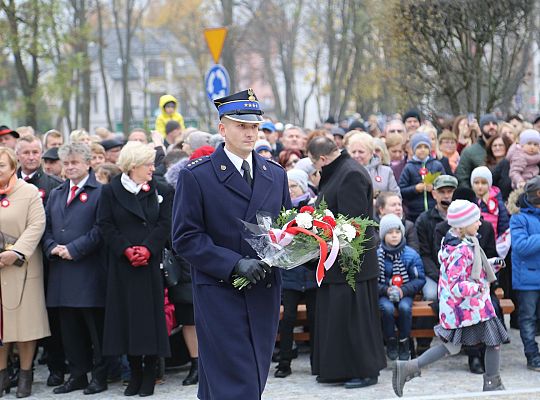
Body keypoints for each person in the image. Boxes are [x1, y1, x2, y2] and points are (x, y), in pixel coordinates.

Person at [172, 89, 291, 400]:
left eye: (254, 126)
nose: (250, 132)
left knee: (249, 374)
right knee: (236, 381)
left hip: (264, 290)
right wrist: (233, 263)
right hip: (221, 292)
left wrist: (308, 242)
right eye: (242, 125)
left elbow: (285, 228)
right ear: (222, 129)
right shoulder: (197, 177)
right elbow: (185, 237)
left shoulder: (274, 174)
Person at [393, 200, 509, 397]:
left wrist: (490, 264)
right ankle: (492, 383)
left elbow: (472, 268)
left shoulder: (463, 243)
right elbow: (456, 284)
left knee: (455, 346)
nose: (480, 223)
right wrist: (478, 287)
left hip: (466, 308)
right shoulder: (460, 250)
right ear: (463, 225)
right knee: (491, 341)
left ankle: (410, 367)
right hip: (467, 307)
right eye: (476, 220)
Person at [307, 136, 386, 389]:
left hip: (353, 263)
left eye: (314, 163)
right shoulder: (340, 170)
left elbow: (353, 224)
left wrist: (329, 243)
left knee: (356, 321)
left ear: (321, 158)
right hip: (337, 261)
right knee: (339, 318)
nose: (316, 169)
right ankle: (338, 369)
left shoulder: (349, 173)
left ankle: (365, 371)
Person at [97, 141, 172, 396]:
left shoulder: (161, 189)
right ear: (133, 166)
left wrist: (148, 248)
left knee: (149, 320)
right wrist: (126, 249)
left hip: (149, 265)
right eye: (148, 164)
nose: (153, 168)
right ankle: (135, 372)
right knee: (126, 319)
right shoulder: (111, 191)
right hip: (123, 266)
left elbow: (165, 223)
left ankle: (150, 372)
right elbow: (105, 224)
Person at [42, 143, 107, 395]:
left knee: (94, 329)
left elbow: (100, 229)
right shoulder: (57, 193)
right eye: (66, 163)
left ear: (88, 163)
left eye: (75, 162)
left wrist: (75, 249)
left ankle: (99, 376)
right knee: (69, 329)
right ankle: (78, 374)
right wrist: (51, 247)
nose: (70, 167)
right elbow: (45, 227)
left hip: (88, 271)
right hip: (61, 273)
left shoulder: (100, 192)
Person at [0, 147, 49, 398]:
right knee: (1, 327)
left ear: (12, 168)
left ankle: (26, 374)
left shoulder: (28, 192)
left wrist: (17, 252)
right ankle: (2, 374)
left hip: (22, 267)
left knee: (24, 325)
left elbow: (37, 225)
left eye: (1, 166)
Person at [274, 169, 317, 378]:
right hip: (290, 274)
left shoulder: (313, 209)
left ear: (302, 186)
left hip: (309, 273)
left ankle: (317, 361)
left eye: (294, 186)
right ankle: (284, 362)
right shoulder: (281, 210)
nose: (291, 190)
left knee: (314, 318)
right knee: (288, 318)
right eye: (288, 186)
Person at [378, 214, 425, 361]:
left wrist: (403, 290)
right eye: (390, 233)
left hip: (405, 292)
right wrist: (386, 289)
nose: (394, 236)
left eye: (397, 232)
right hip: (384, 293)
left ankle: (404, 341)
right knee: (387, 309)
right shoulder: (377, 256)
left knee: (405, 308)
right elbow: (373, 281)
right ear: (383, 235)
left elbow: (419, 279)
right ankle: (390, 340)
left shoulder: (411, 255)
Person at [510, 176, 540, 371]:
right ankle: (532, 355)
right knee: (527, 319)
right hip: (528, 280)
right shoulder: (518, 218)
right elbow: (520, 246)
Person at [399, 133, 446, 222]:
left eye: (425, 147)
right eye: (419, 147)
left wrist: (434, 188)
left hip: (435, 211)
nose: (422, 150)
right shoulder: (409, 167)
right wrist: (415, 189)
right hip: (414, 213)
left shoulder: (437, 165)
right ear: (413, 149)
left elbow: (444, 185)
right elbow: (401, 190)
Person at [345, 132, 400, 199]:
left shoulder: (386, 172)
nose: (357, 155)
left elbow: (396, 197)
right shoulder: (344, 172)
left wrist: (379, 203)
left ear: (371, 153)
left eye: (361, 152)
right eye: (353, 152)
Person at [455, 114, 498, 188]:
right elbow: (462, 179)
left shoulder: (504, 148)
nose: (491, 126)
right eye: (487, 124)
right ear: (481, 128)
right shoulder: (469, 152)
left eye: (494, 124)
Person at [470, 166, 509, 239]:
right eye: (476, 183)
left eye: (484, 183)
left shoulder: (497, 203)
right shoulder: (470, 201)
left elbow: (504, 226)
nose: (480, 186)